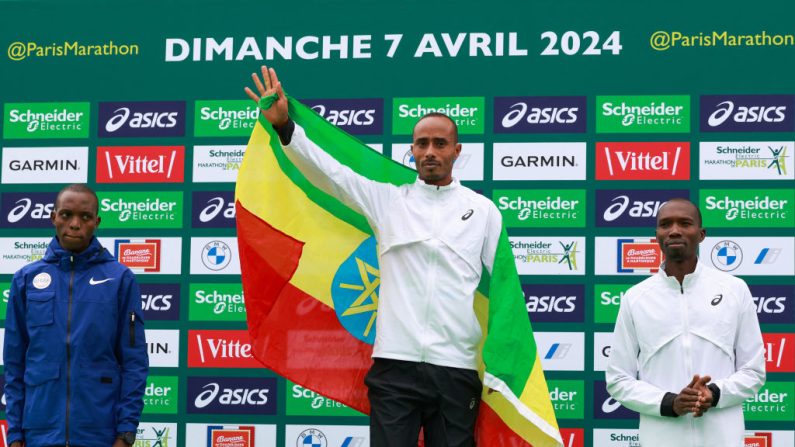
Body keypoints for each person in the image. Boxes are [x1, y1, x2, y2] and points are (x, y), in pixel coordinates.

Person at [246, 66, 503, 446]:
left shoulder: (484, 212)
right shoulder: (388, 201)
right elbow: (331, 174)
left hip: (456, 368)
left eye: (440, 144)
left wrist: (501, 363)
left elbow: (505, 293)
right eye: (422, 144)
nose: (430, 152)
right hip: (395, 367)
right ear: (412, 149)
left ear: (456, 150)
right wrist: (286, 128)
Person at [606, 198, 765, 447]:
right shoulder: (635, 298)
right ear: (657, 235)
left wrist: (713, 394)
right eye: (665, 224)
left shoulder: (735, 289)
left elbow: (753, 372)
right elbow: (618, 379)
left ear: (701, 234)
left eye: (685, 223)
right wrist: (670, 402)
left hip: (722, 438)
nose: (674, 230)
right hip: (661, 438)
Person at [3, 184, 149, 447]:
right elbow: (15, 364)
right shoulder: (26, 279)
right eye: (66, 214)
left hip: (100, 434)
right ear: (53, 217)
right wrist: (14, 434)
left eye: (85, 217)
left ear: (97, 222)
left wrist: (126, 433)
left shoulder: (120, 279)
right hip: (39, 433)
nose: (74, 224)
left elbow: (134, 363)